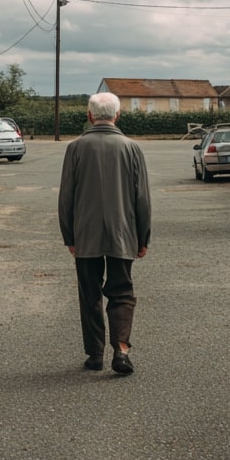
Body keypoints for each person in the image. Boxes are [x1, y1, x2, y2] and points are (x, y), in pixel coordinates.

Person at [58, 91, 151, 375]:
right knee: (122, 291)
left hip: (85, 233)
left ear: (89, 115)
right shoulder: (132, 148)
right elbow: (142, 198)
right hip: (123, 232)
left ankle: (95, 354)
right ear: (117, 115)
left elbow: (66, 197)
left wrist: (69, 237)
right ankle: (121, 350)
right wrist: (143, 237)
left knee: (90, 293)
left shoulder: (75, 148)